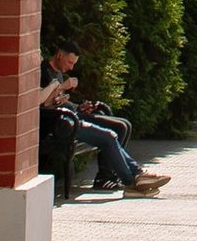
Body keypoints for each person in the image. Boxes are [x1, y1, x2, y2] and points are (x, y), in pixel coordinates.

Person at [40, 46, 162, 197]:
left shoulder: (57, 73)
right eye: (69, 62)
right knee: (109, 136)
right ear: (59, 55)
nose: (71, 67)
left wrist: (77, 105)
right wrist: (62, 89)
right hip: (59, 124)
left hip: (67, 118)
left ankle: (137, 175)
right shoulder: (44, 72)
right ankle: (131, 182)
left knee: (112, 133)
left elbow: (57, 100)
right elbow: (44, 103)